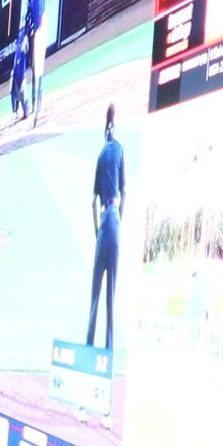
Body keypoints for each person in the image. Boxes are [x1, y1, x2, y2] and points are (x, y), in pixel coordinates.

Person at [87, 104, 126, 349]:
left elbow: (92, 201)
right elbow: (125, 191)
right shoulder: (119, 150)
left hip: (102, 222)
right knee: (111, 294)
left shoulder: (101, 155)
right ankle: (108, 348)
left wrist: (97, 232)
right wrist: (119, 219)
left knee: (95, 294)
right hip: (113, 218)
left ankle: (88, 346)